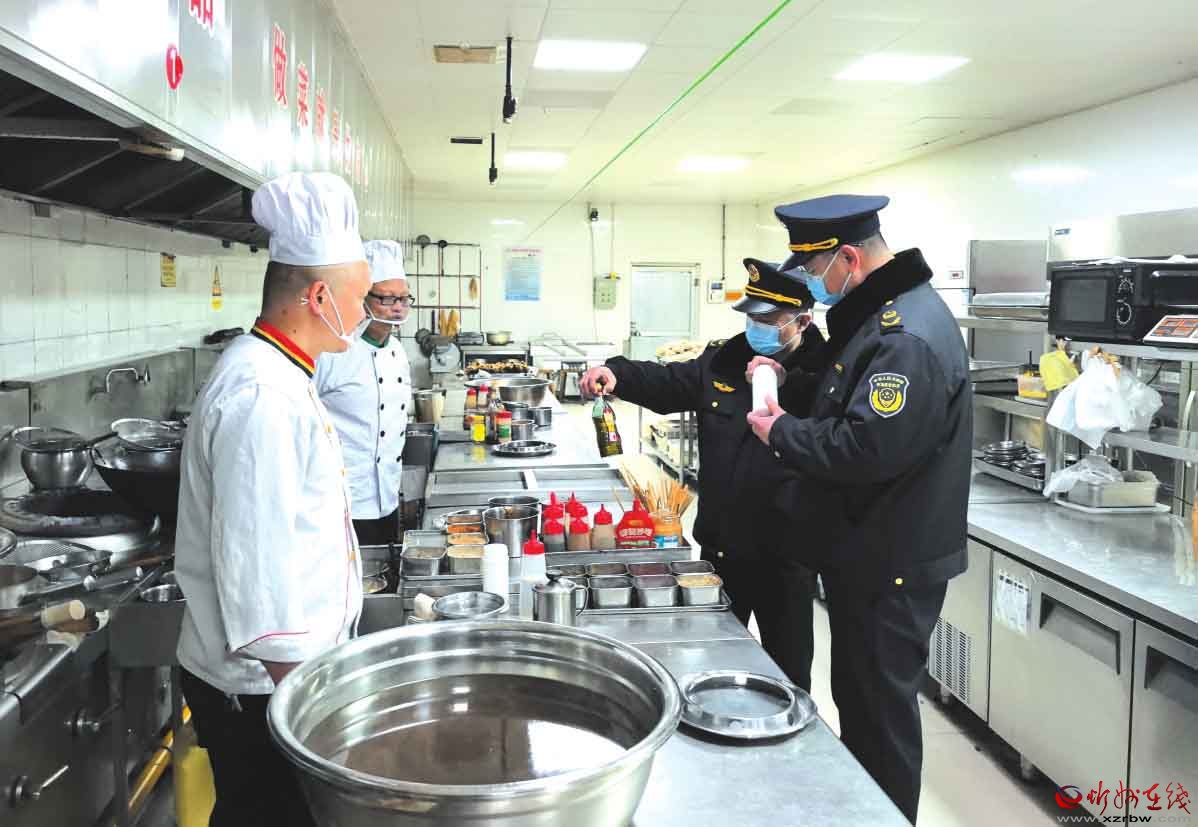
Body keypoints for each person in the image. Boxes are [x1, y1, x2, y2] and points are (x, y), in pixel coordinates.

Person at [746, 194, 971, 823]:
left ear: (848, 258)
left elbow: (866, 447)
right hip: (868, 554)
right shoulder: (881, 320)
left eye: (815, 270)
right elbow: (849, 404)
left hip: (889, 562)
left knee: (878, 718)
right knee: (861, 702)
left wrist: (781, 431)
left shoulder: (907, 337)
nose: (813, 285)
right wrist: (794, 384)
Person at [174, 172, 372, 827]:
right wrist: (310, 708)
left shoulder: (282, 372)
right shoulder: (262, 396)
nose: (366, 313)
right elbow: (259, 580)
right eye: (360, 297)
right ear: (319, 296)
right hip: (262, 691)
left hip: (281, 682)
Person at [581, 258, 825, 690]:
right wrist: (617, 374)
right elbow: (668, 382)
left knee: (788, 672)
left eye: (768, 320)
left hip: (787, 557)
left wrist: (789, 386)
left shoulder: (826, 375)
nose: (756, 327)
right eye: (751, 317)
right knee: (711, 659)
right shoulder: (724, 361)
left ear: (802, 322)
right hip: (722, 546)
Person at [315, 239, 414, 546]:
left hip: (387, 493)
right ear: (363, 298)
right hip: (342, 501)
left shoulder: (396, 350)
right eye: (386, 298)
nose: (397, 307)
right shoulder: (332, 352)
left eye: (404, 299)